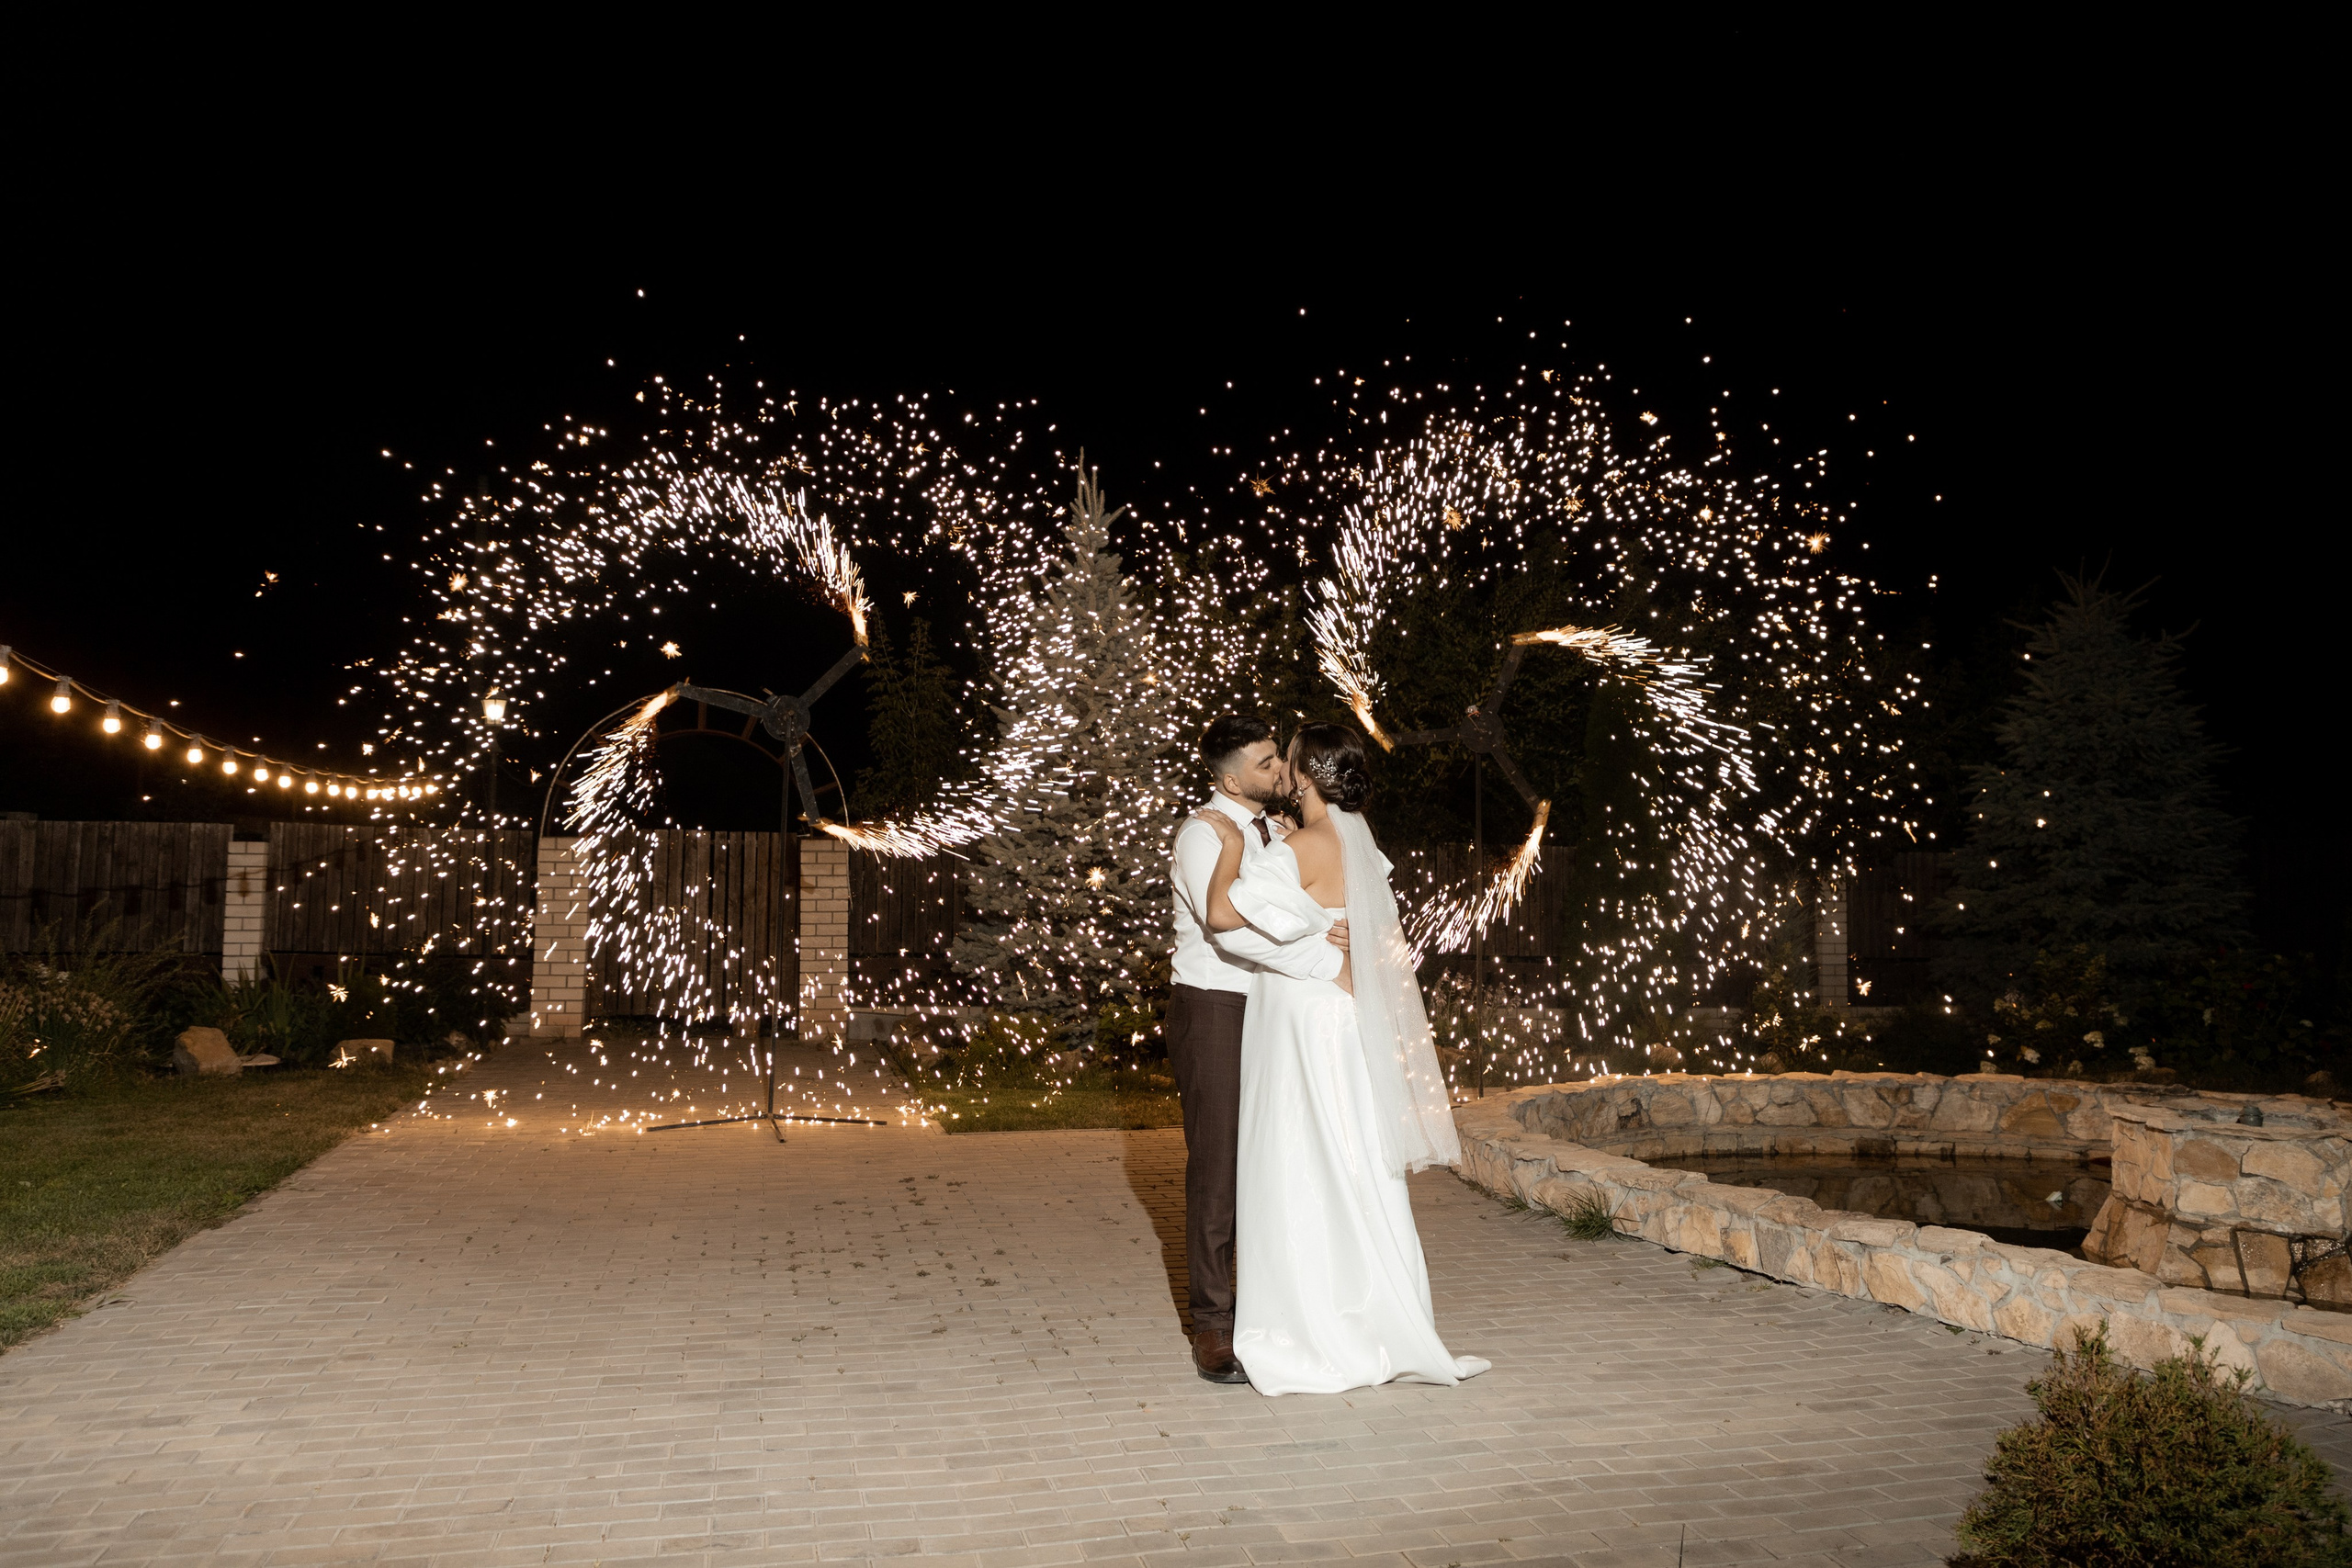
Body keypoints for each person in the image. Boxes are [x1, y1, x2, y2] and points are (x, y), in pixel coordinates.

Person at [1193, 721, 1490, 1395]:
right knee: (1351, 1153)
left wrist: (1234, 847)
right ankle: (1379, 1315)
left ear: (1303, 776)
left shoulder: (1299, 846)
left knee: (1296, 1156)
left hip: (1300, 1015)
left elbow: (1225, 916)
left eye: (1288, 761)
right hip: (1347, 1019)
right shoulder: (1359, 840)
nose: (1281, 771)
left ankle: (1310, 1327)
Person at [1167, 715, 1351, 1383]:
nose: (1282, 770)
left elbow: (1306, 901)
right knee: (1218, 1168)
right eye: (1267, 762)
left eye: (1279, 758)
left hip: (1278, 1008)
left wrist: (1338, 929)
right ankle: (1213, 1324)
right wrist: (1324, 957)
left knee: (1275, 1159)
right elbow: (1231, 932)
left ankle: (1272, 1310)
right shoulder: (1202, 834)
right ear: (1229, 780)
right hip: (1217, 1007)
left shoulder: (1281, 830)